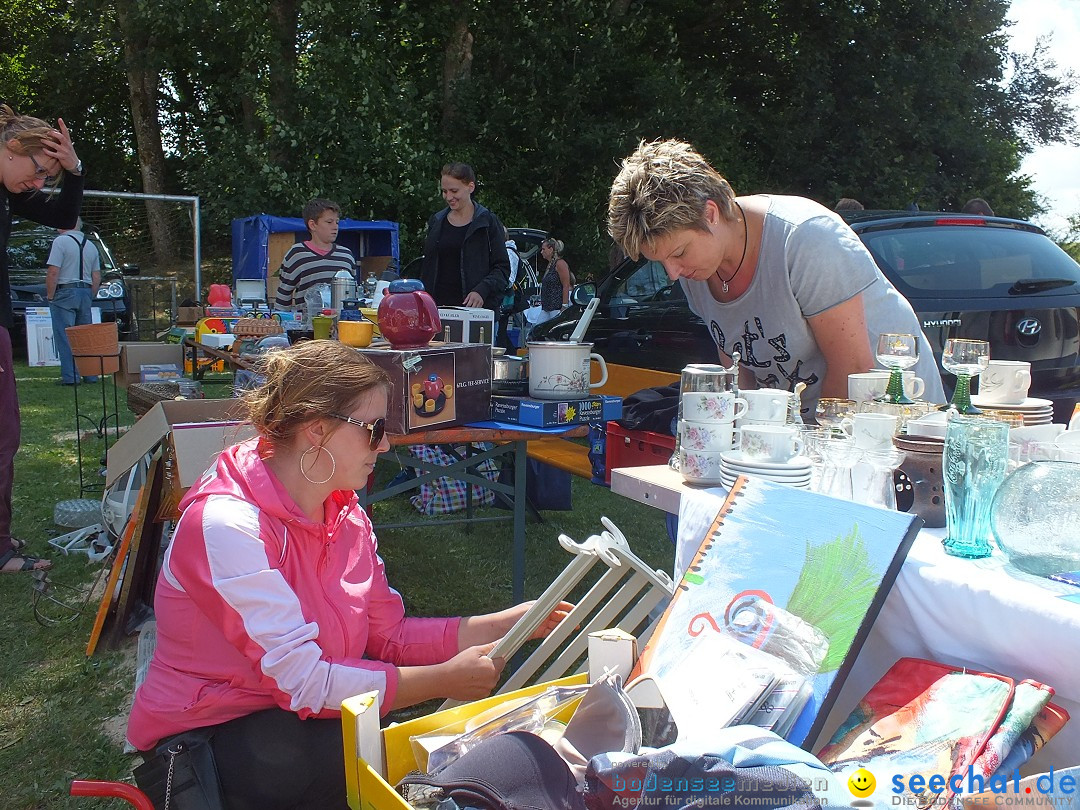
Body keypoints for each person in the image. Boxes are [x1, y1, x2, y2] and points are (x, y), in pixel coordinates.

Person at [126, 340, 570, 808]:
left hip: (289, 725)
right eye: (374, 428)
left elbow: (388, 635)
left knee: (381, 752)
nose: (386, 442)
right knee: (377, 760)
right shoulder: (225, 527)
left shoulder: (343, 512)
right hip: (202, 743)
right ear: (317, 431)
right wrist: (443, 679)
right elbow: (305, 682)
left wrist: (503, 625)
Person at [607, 139, 944, 417]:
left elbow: (853, 370)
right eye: (661, 261)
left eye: (678, 253)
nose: (673, 273)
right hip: (804, 428)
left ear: (710, 214)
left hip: (893, 421)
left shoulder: (806, 239)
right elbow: (740, 374)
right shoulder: (699, 270)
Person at [0, 104, 84, 574]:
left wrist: (73, 170)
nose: (38, 185)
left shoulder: (8, 189)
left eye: (45, 178)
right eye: (37, 172)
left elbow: (64, 215)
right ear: (13, 148)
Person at [419, 163, 510, 315]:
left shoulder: (488, 222)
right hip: (437, 312)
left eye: (454, 191)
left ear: (471, 187)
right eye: (444, 191)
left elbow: (502, 268)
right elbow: (427, 269)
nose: (448, 197)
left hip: (477, 314)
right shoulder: (436, 221)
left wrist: (482, 290)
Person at [273, 198, 356, 312]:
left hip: (342, 325)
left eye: (337, 222)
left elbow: (354, 295)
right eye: (329, 222)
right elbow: (283, 297)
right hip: (308, 326)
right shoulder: (296, 254)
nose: (335, 227)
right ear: (313, 225)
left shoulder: (346, 256)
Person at [46, 217, 100, 386]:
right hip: (85, 290)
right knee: (84, 336)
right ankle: (90, 374)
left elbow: (53, 271)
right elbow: (96, 276)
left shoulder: (60, 242)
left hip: (65, 290)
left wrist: (50, 295)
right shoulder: (91, 245)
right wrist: (90, 295)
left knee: (65, 335)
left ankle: (71, 376)